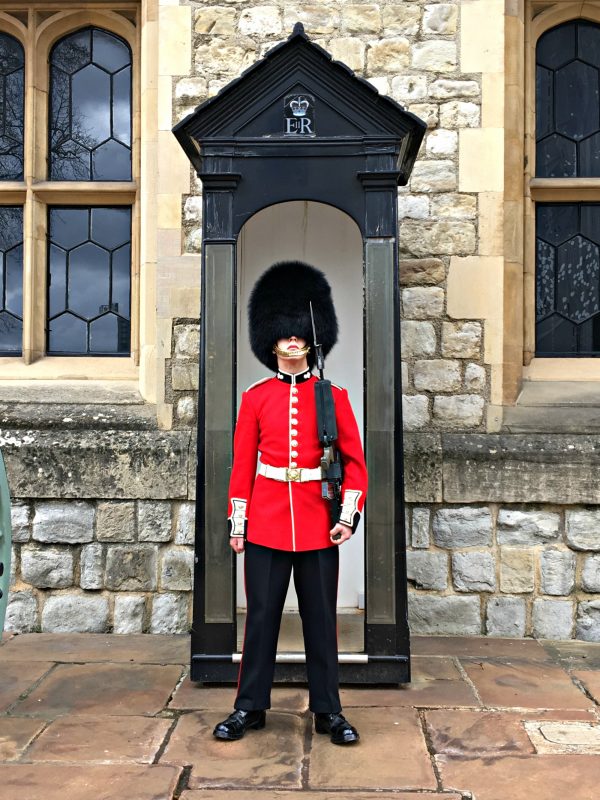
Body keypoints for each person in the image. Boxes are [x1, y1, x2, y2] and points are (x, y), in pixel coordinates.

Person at [213, 261, 368, 745]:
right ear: (272, 340)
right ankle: (249, 707)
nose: (293, 341)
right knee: (260, 619)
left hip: (319, 523)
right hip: (264, 523)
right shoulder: (255, 398)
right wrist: (238, 523)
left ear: (310, 336)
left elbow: (355, 464)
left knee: (321, 621)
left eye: (300, 334)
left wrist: (347, 517)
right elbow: (242, 467)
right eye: (285, 335)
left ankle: (328, 711)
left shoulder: (333, 397)